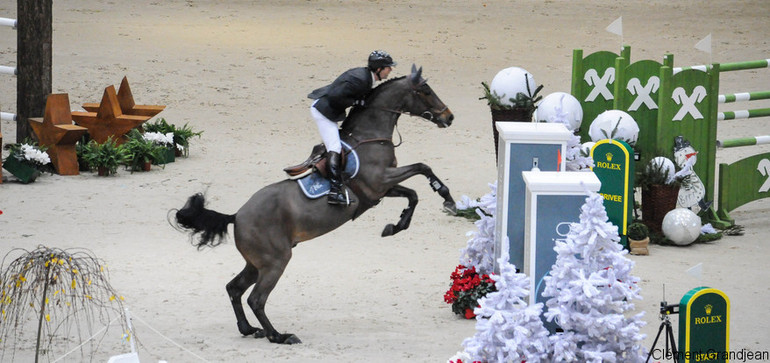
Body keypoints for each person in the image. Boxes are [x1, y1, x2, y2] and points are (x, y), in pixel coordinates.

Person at [307, 50, 397, 205]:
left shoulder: (367, 77)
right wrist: (356, 102)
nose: (390, 70)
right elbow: (336, 96)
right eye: (388, 67)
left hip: (329, 110)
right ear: (379, 69)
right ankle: (335, 192)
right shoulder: (361, 79)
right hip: (323, 112)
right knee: (334, 148)